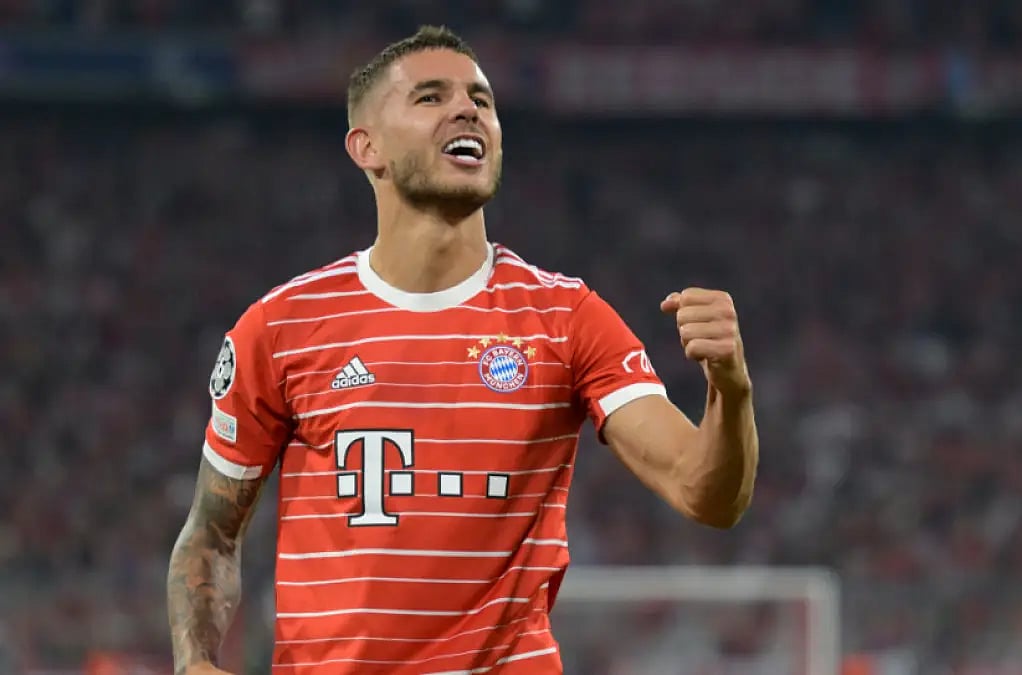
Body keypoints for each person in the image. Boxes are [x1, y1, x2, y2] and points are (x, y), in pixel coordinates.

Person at [166, 25, 759, 675]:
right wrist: (196, 662)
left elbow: (708, 495)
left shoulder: (567, 319)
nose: (468, 108)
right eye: (429, 96)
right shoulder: (281, 328)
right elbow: (211, 533)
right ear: (368, 148)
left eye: (482, 97)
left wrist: (729, 390)